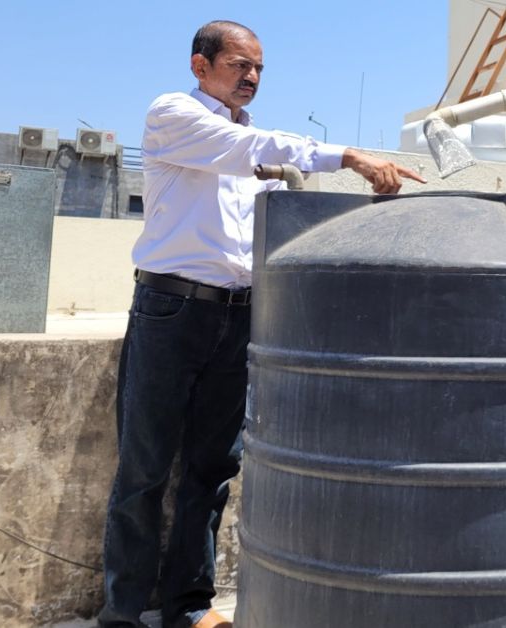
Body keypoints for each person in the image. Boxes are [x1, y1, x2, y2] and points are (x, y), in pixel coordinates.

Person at [98, 20, 425, 628]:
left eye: (257, 70)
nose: (250, 78)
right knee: (144, 468)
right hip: (171, 310)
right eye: (238, 66)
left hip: (237, 313)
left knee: (212, 467)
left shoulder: (245, 137)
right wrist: (347, 154)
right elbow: (252, 151)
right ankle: (121, 613)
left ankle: (189, 608)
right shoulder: (175, 115)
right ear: (200, 66)